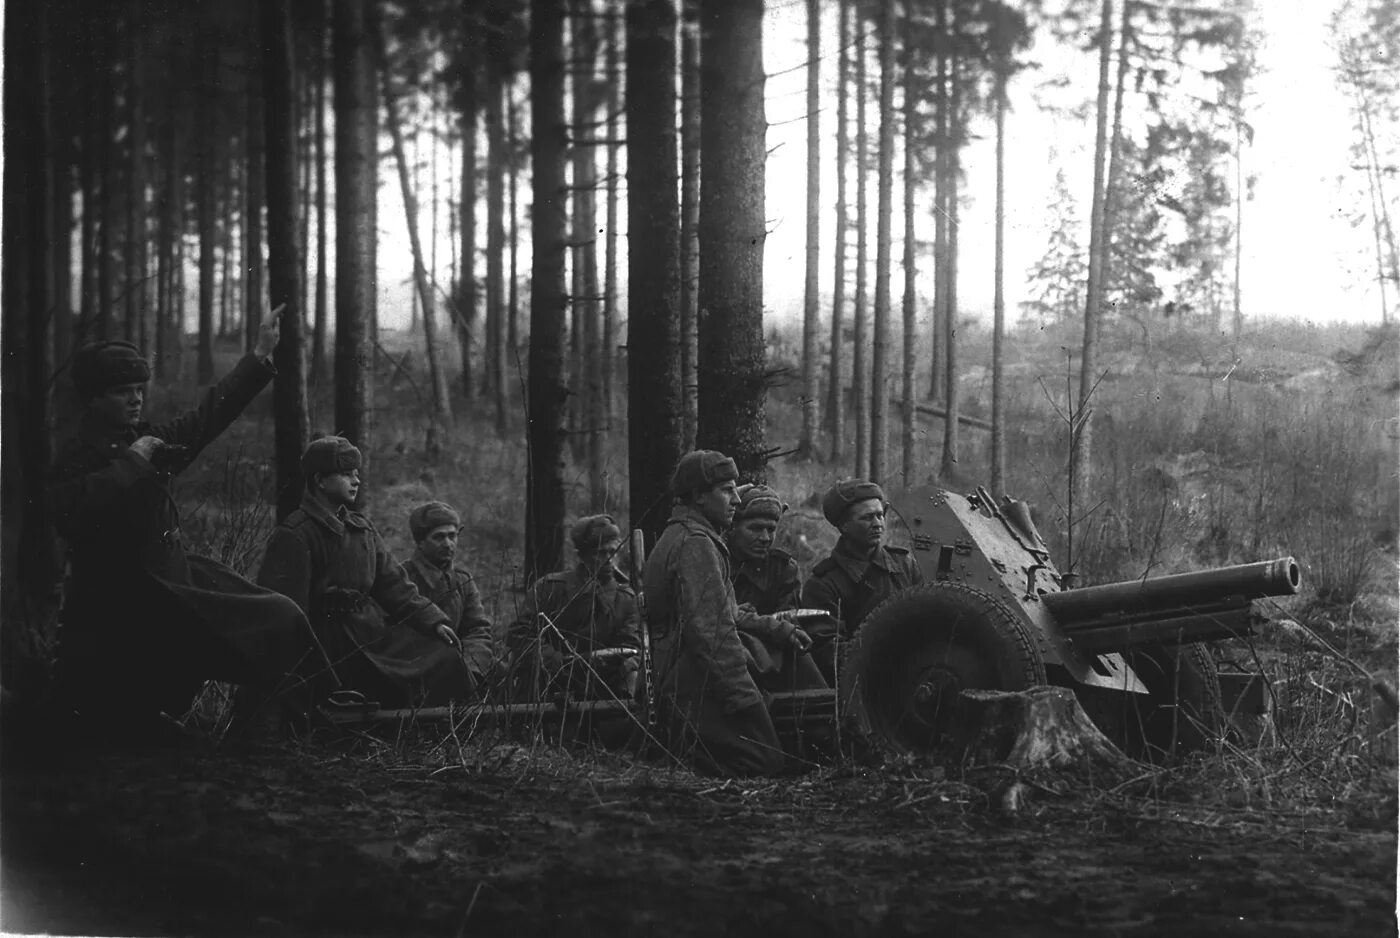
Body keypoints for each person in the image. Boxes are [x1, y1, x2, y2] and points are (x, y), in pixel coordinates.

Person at [46, 305, 335, 742]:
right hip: (129, 603)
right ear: (92, 399)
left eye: (139, 388)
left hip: (173, 580)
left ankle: (271, 723)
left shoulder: (138, 440)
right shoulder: (76, 455)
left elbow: (205, 419)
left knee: (282, 618)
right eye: (122, 390)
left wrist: (258, 356)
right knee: (248, 630)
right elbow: (71, 511)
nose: (136, 398)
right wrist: (133, 462)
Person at [257, 437, 472, 708]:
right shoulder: (296, 534)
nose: (356, 481)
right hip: (327, 647)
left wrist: (434, 621)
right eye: (346, 475)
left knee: (443, 656)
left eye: (356, 474)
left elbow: (395, 586)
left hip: (371, 636)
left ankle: (440, 730)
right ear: (320, 481)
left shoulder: (361, 530)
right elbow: (283, 615)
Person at [643, 450, 794, 778]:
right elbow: (711, 632)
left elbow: (722, 612)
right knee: (767, 762)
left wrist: (770, 626)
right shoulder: (695, 543)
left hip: (687, 677)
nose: (736, 500)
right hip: (693, 682)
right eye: (726, 490)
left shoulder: (683, 535)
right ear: (698, 496)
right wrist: (742, 699)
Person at [800, 478, 924, 684]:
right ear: (844, 525)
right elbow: (831, 655)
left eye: (880, 515)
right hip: (865, 686)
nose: (878, 524)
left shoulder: (905, 565)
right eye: (867, 518)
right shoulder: (823, 584)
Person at [508, 514, 641, 702]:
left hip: (605, 689)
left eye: (614, 552)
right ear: (583, 556)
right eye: (601, 553)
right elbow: (521, 635)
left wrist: (621, 664)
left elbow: (633, 646)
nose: (610, 559)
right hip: (550, 687)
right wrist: (559, 663)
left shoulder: (625, 598)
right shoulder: (550, 588)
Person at [725, 484, 827, 693]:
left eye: (771, 529)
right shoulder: (718, 562)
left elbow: (787, 618)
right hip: (731, 655)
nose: (765, 538)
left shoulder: (783, 568)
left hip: (774, 652)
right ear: (732, 527)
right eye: (755, 528)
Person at [400, 501, 497, 697]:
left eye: (452, 536)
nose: (448, 544)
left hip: (462, 666)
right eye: (439, 537)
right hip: (415, 670)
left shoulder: (463, 580)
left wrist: (471, 669)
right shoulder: (401, 579)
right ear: (420, 542)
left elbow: (477, 630)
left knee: (505, 673)